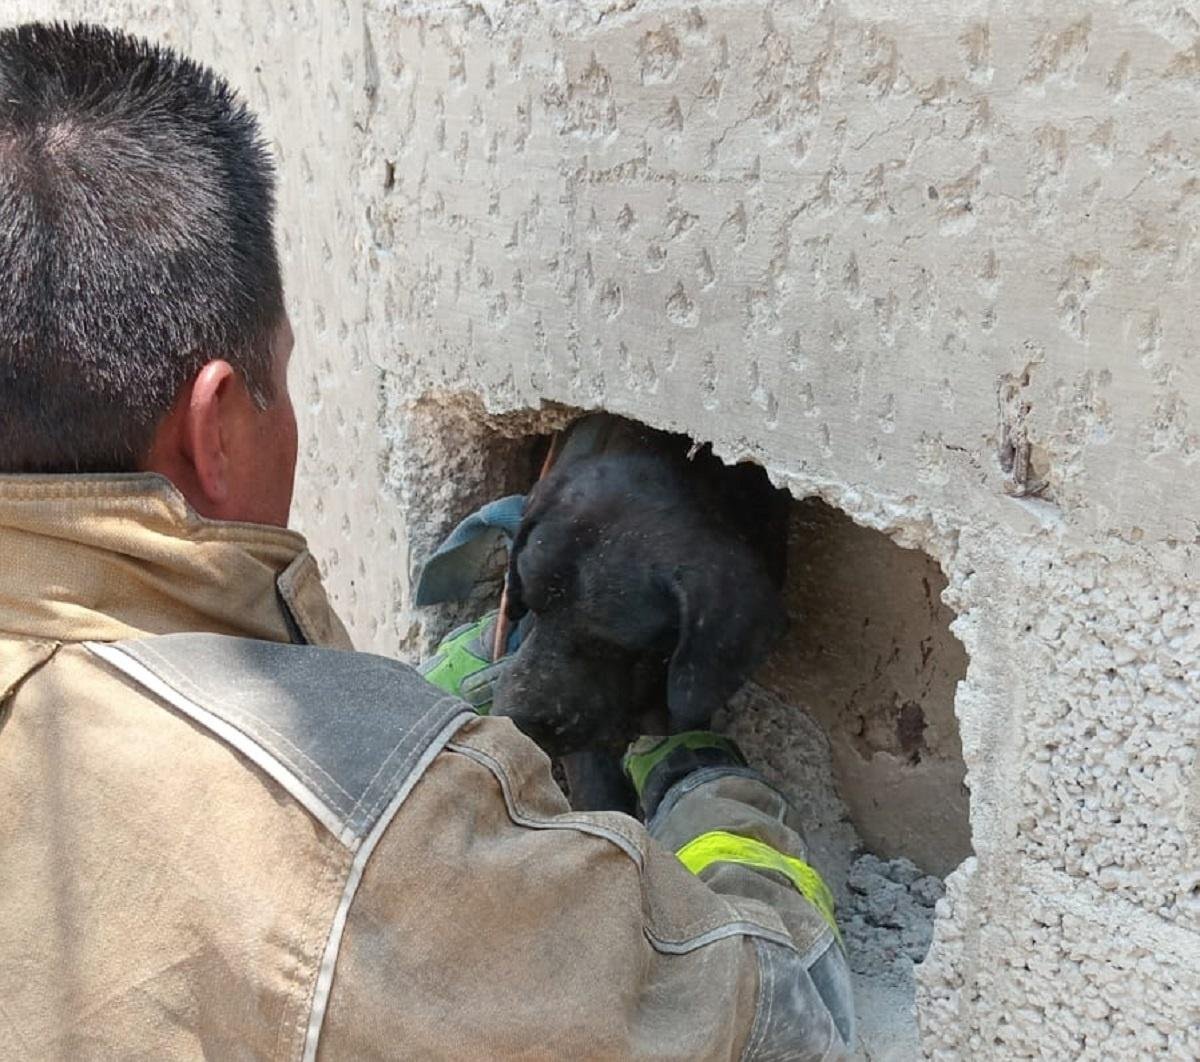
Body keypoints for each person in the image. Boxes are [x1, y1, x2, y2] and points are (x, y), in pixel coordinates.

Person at [0, 21, 854, 1060]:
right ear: (217, 425)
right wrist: (699, 779)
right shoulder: (357, 852)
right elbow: (791, 1019)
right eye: (290, 374)